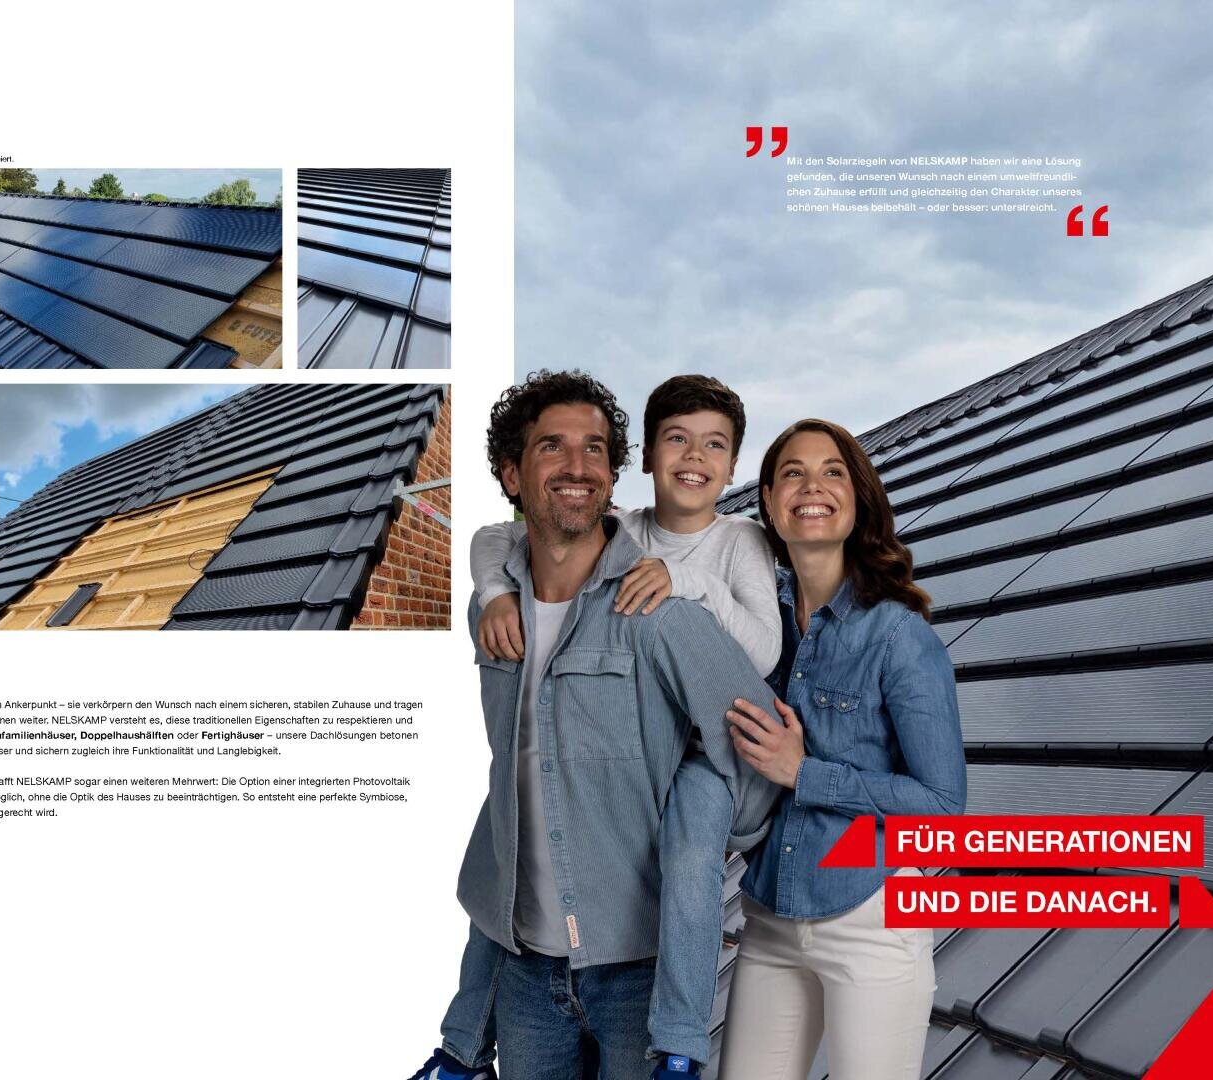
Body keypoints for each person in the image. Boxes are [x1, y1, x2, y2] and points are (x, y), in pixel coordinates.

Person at [409, 371, 780, 1080]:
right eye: (552, 447)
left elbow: (757, 751)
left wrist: (699, 815)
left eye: (593, 450)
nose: (577, 466)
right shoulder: (490, 619)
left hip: (636, 975)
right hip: (521, 973)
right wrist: (490, 589)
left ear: (612, 475)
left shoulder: (662, 614)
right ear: (511, 474)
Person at [716, 419, 967, 1080]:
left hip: (871, 923)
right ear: (768, 500)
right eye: (792, 472)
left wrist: (805, 773)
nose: (811, 486)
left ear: (856, 500)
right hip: (768, 920)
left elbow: (942, 810)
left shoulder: (896, 636)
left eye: (832, 472)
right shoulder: (750, 623)